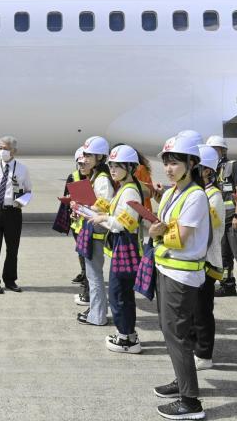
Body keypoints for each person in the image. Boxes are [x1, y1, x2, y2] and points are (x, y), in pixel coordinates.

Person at [149, 134, 210, 420]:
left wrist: (157, 234)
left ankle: (190, 402)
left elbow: (182, 238)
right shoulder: (174, 192)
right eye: (166, 162)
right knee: (169, 330)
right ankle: (181, 379)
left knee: (177, 334)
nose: (169, 168)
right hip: (166, 268)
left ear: (191, 163)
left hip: (181, 275)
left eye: (174, 162)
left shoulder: (196, 195)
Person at [87, 144, 144, 352]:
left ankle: (127, 339)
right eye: (111, 165)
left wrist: (102, 218)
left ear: (130, 168)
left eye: (118, 166)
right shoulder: (124, 187)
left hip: (126, 246)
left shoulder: (129, 191)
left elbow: (124, 223)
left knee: (119, 293)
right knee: (122, 293)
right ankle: (127, 333)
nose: (112, 170)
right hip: (122, 246)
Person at [188, 145, 225, 371]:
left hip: (207, 261)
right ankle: (194, 347)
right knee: (191, 309)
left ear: (208, 171)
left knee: (202, 310)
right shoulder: (195, 192)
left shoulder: (214, 196)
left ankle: (204, 353)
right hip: (193, 260)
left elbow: (209, 230)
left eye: (196, 166)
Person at [0, 136, 32, 294]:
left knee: (12, 248)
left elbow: (28, 191)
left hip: (14, 212)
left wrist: (21, 202)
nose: (2, 151)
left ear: (14, 151)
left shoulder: (22, 169)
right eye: (0, 148)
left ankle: (10, 280)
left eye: (6, 148)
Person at [71, 136, 114, 325]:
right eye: (85, 154)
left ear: (100, 157)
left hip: (97, 233)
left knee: (95, 276)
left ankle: (97, 316)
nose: (85, 159)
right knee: (93, 275)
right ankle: (98, 311)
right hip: (92, 230)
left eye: (89, 155)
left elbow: (103, 207)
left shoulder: (102, 179)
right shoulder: (97, 176)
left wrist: (80, 207)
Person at [207, 135, 237, 297]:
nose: (213, 153)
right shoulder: (210, 170)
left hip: (234, 218)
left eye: (215, 149)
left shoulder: (233, 166)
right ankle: (227, 285)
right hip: (220, 220)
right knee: (223, 255)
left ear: (223, 150)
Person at [65, 147, 91, 285]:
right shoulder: (73, 177)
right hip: (77, 221)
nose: (81, 167)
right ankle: (83, 272)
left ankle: (88, 275)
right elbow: (67, 195)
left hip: (90, 221)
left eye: (84, 164)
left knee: (88, 251)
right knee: (80, 250)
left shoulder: (96, 178)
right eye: (79, 164)